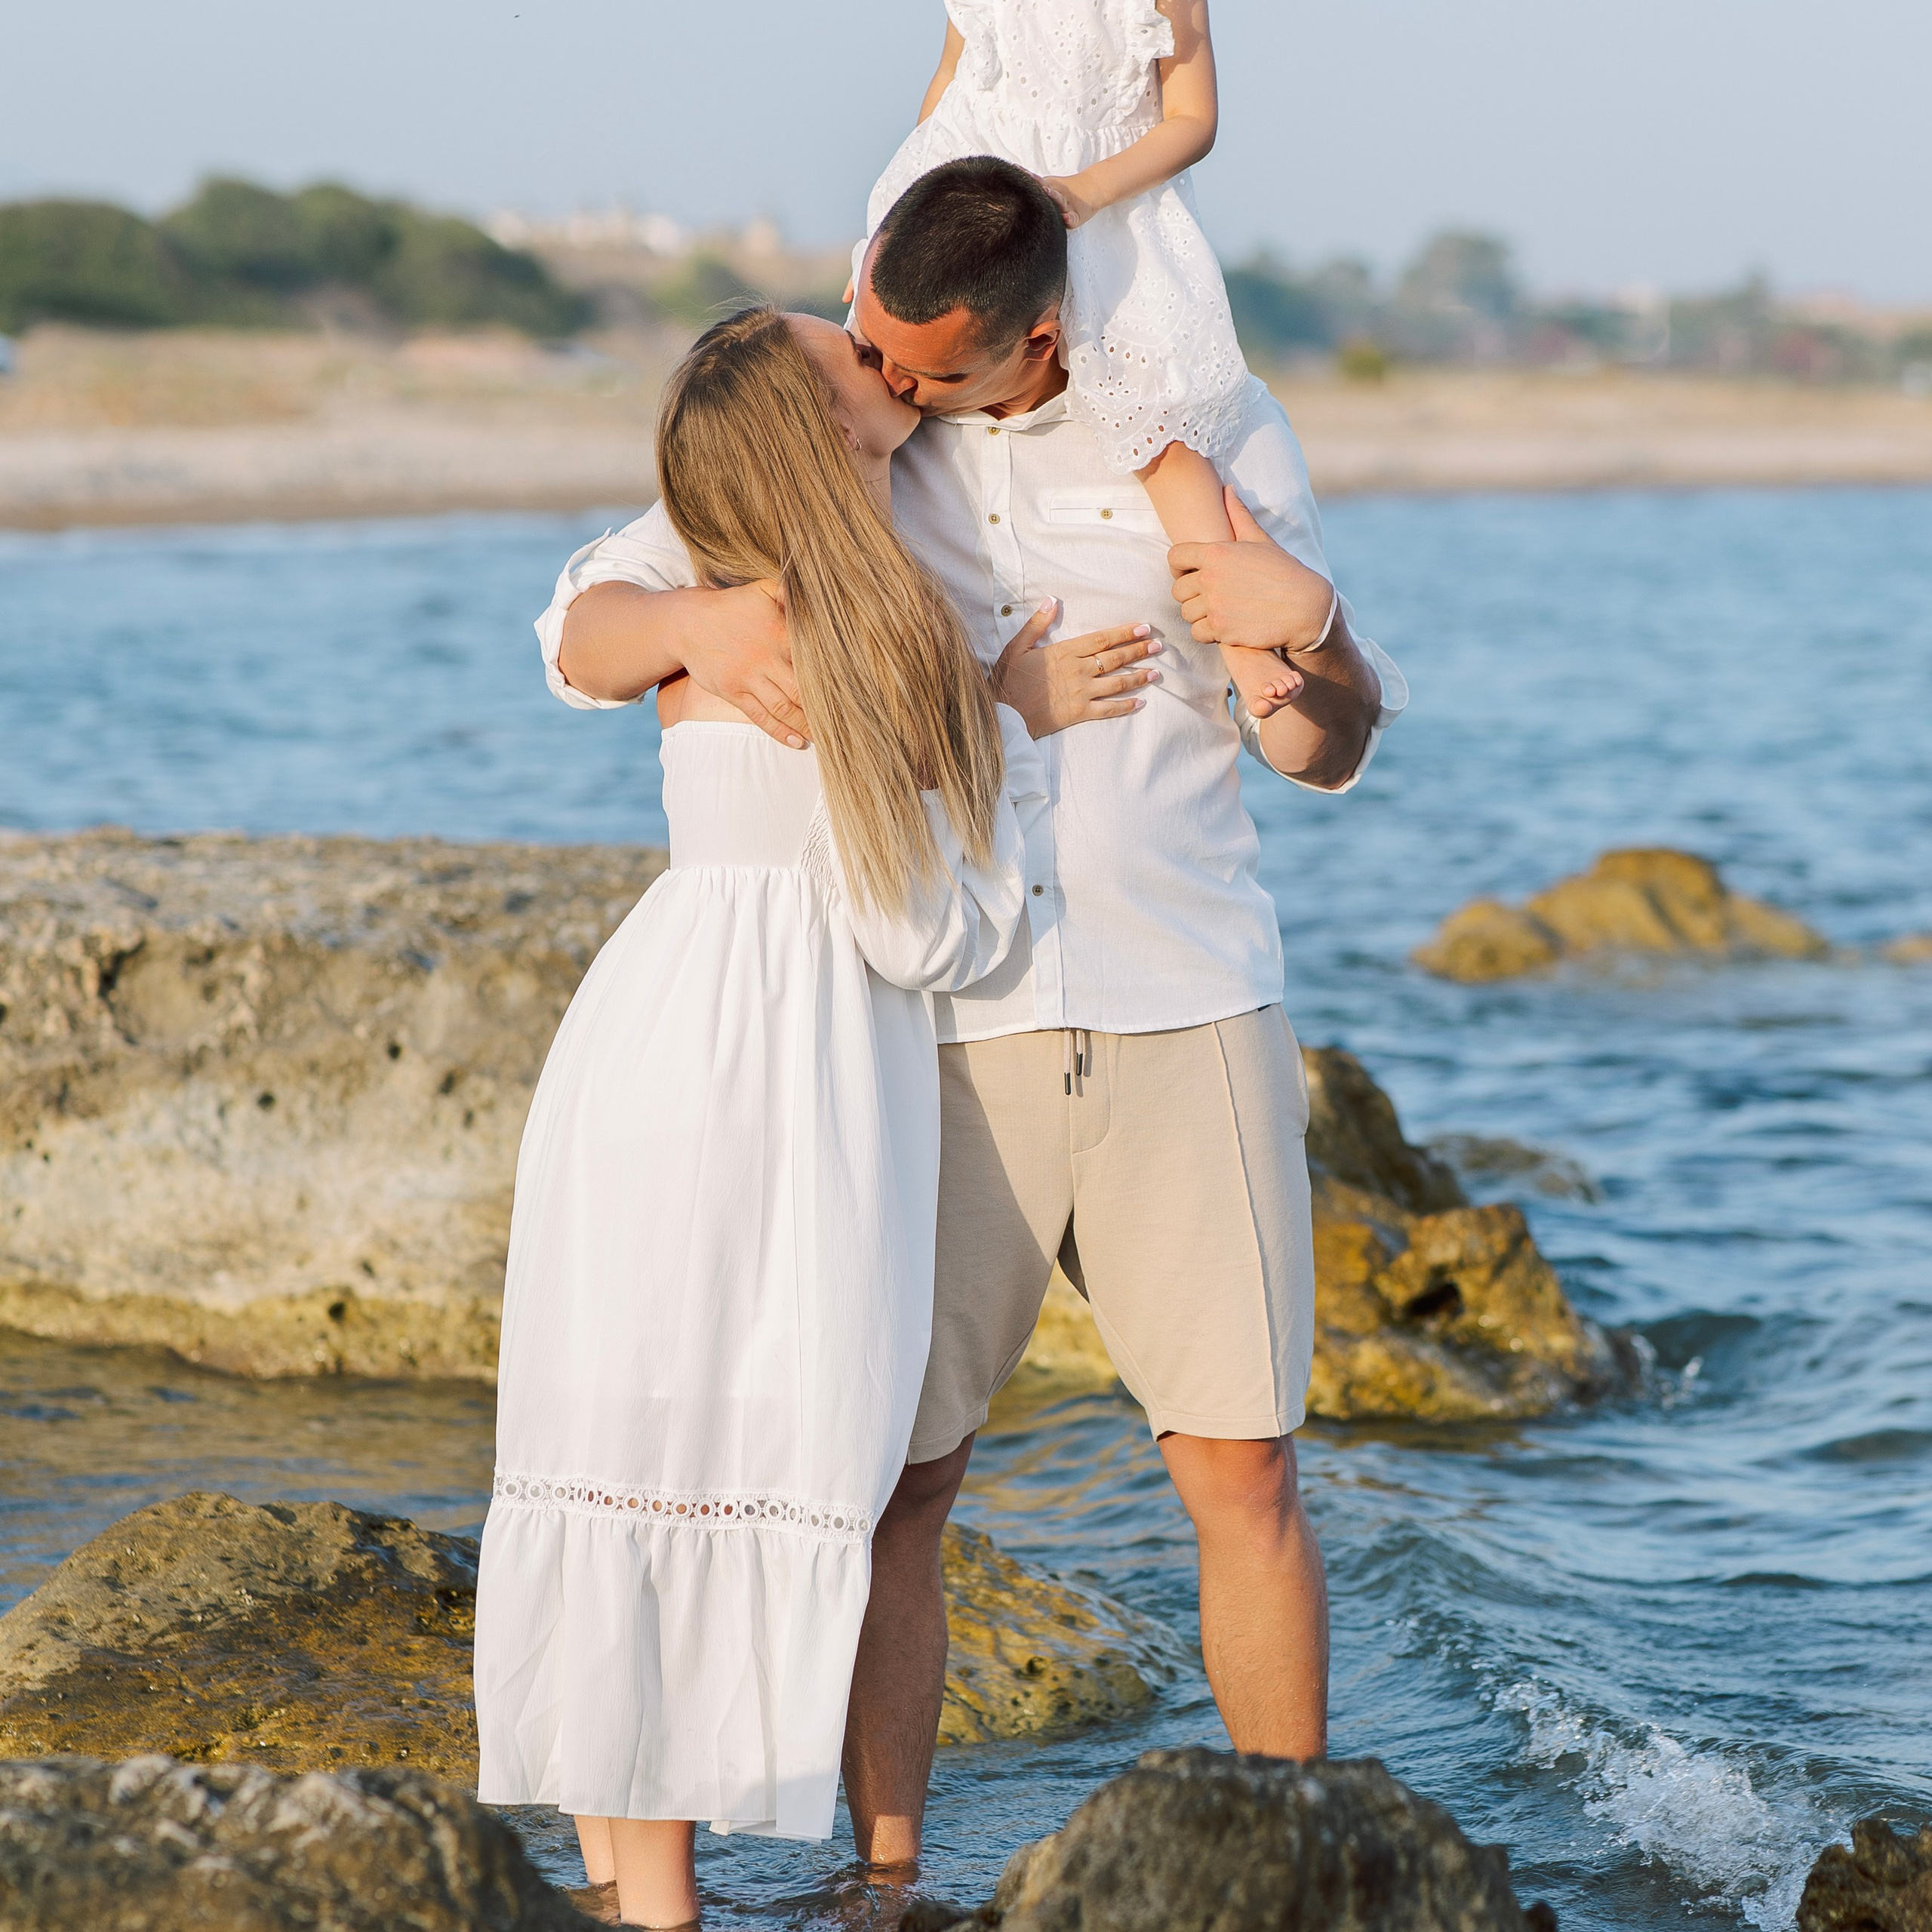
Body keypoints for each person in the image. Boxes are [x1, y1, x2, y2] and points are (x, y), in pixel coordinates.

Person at [539, 158, 1406, 1872]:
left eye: (925, 368)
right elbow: (582, 622)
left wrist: (1319, 649)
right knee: (897, 1485)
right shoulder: (844, 435)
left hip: (1185, 1003)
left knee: (1237, 1471)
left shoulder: (1203, 442)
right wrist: (713, 619)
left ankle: (1305, 1864)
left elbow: (1321, 749)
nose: (893, 387)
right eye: (873, 351)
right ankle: (885, 1881)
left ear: (1030, 338)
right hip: (944, 1036)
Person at [473, 304, 1154, 1927]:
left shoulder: (751, 568)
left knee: (627, 1445)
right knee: (744, 1445)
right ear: (819, 425)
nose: (875, 352)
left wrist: (705, 624)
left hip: (651, 1029)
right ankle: (700, 1891)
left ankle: (646, 1894)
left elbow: (594, 625)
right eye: (845, 352)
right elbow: (923, 929)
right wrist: (1007, 726)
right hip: (792, 1068)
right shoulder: (852, 610)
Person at [862, 0, 1300, 721]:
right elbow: (951, 77)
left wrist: (1087, 190)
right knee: (868, 389)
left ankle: (1240, 639)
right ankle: (858, 600)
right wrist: (902, 219)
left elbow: (1192, 121)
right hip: (964, 206)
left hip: (1104, 210)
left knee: (1160, 429)